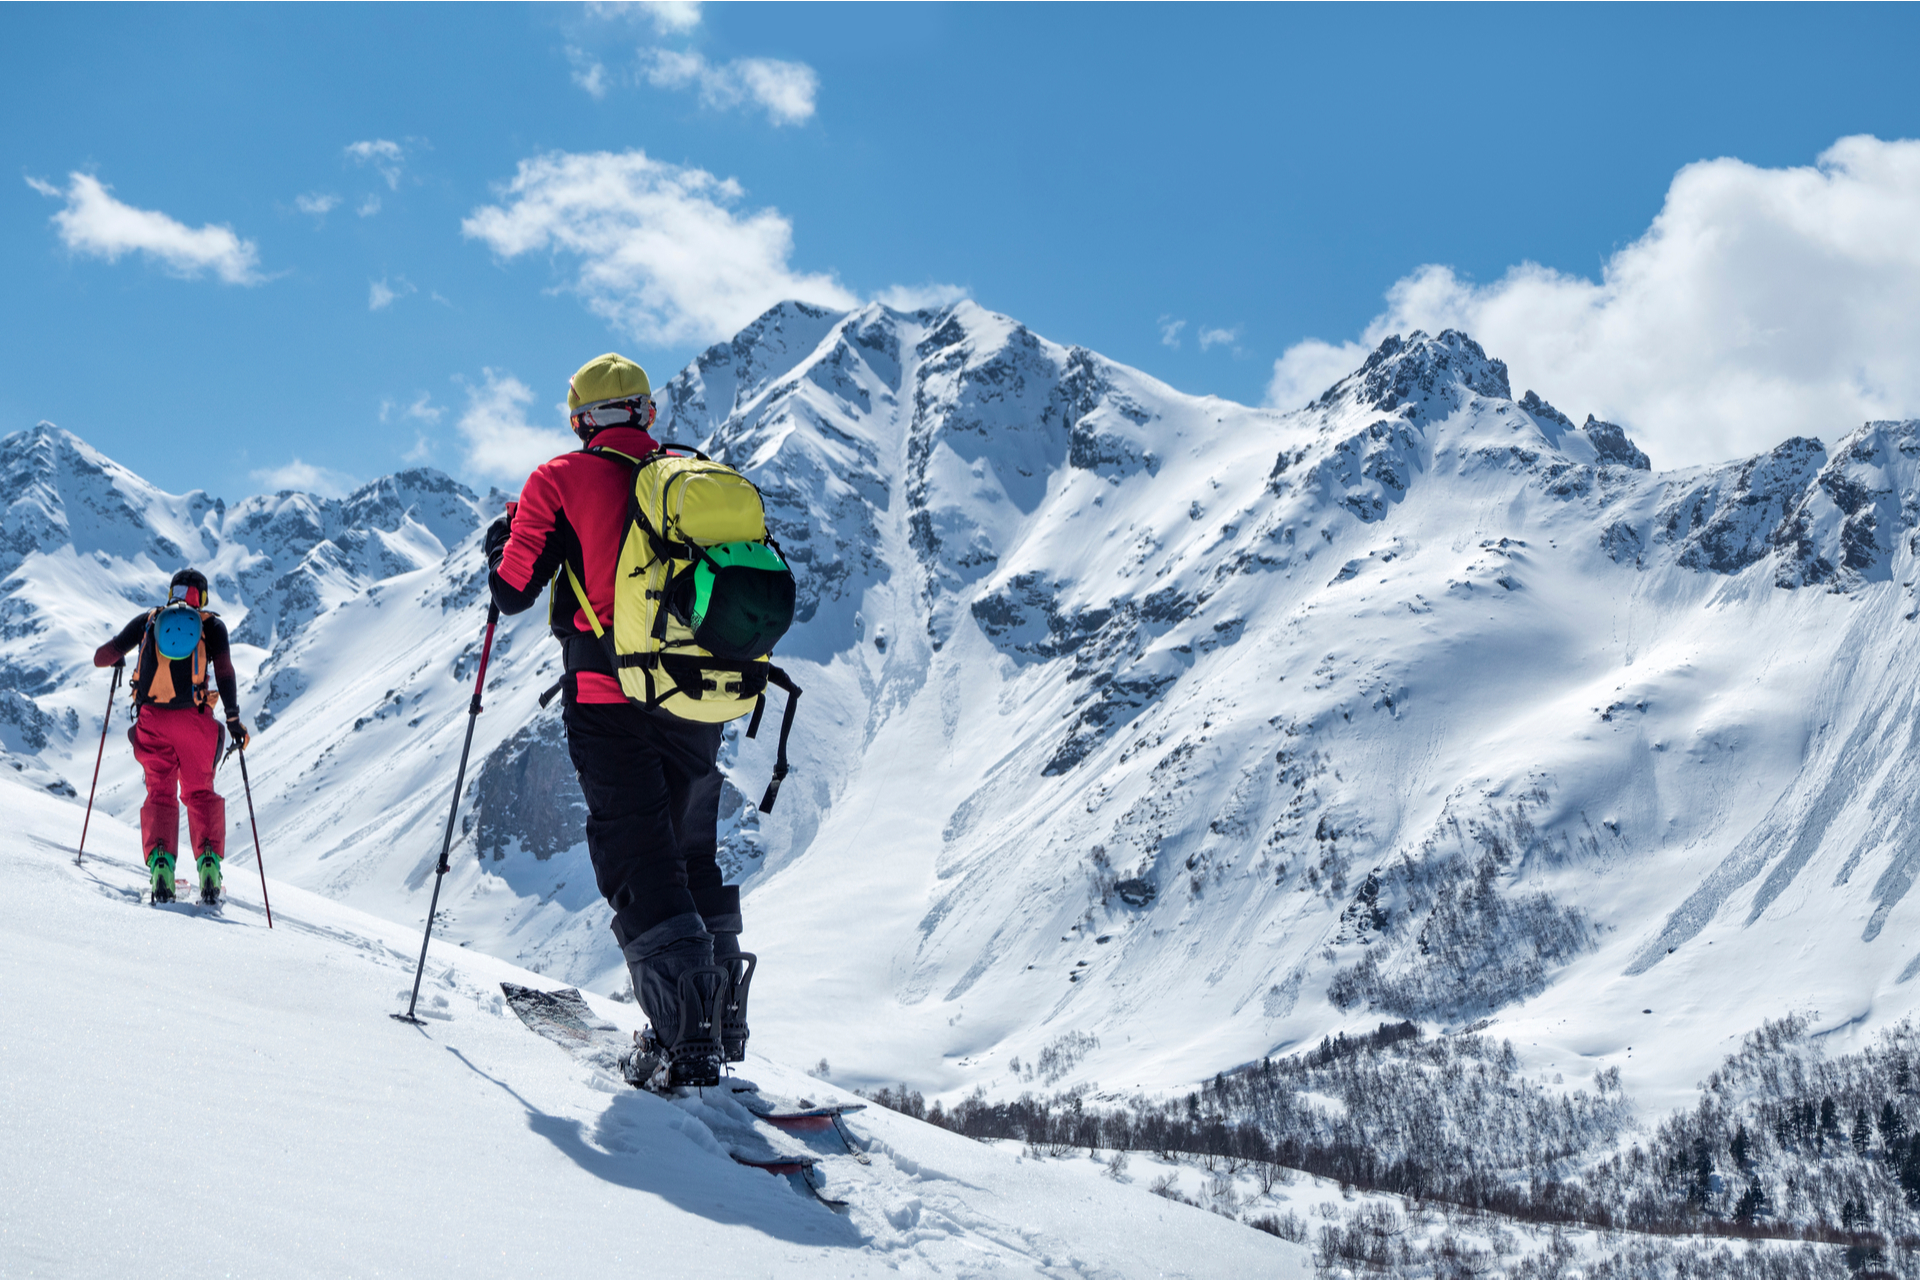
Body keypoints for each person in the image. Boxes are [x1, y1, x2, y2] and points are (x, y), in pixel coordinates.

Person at [485, 352, 745, 1089]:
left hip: (608, 698)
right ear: (646, 414)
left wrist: (502, 544)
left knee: (637, 857)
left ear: (580, 421)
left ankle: (682, 1048)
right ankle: (720, 1025)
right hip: (697, 700)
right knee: (692, 855)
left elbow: (511, 591)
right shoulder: (690, 477)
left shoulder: (560, 479)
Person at [93, 568, 250, 904]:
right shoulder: (211, 626)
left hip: (152, 722)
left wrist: (119, 655)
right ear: (202, 597)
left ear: (172, 592)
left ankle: (161, 865)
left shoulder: (149, 620)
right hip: (195, 721)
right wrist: (233, 718)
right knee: (200, 792)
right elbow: (224, 672)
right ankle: (209, 865)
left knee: (160, 793)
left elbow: (100, 658)